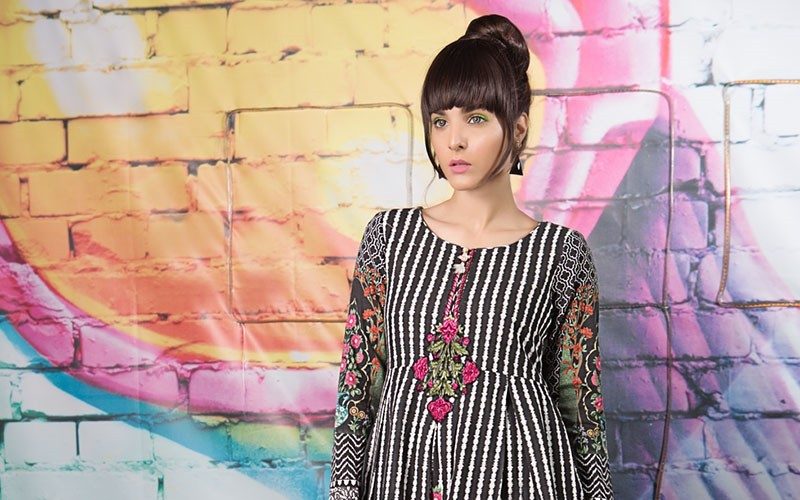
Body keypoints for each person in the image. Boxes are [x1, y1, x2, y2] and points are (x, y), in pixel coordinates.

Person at [329, 14, 612, 500]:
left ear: (517, 129)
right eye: (441, 120)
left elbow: (580, 408)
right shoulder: (388, 238)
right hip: (401, 476)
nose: (453, 140)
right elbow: (358, 389)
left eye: (476, 119)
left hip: (523, 477)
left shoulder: (561, 254)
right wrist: (345, 490)